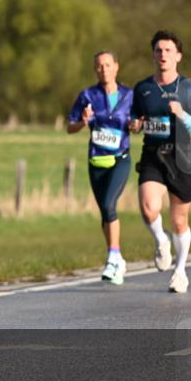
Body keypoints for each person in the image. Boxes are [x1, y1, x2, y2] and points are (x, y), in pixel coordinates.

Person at [128, 30, 191, 293]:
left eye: (168, 50)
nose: (163, 55)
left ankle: (181, 270)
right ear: (153, 55)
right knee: (149, 207)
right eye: (158, 50)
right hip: (153, 155)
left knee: (179, 221)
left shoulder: (187, 89)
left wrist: (183, 114)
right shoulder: (143, 88)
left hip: (181, 157)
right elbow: (135, 120)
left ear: (178, 56)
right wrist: (136, 125)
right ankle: (161, 241)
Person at [67, 51, 135, 285]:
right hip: (96, 161)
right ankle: (116, 259)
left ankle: (113, 257)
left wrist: (136, 124)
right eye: (99, 66)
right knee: (105, 213)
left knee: (109, 205)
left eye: (108, 65)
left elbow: (137, 124)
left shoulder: (130, 95)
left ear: (116, 66)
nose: (104, 69)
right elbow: (70, 126)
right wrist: (82, 122)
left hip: (120, 158)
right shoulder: (88, 95)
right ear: (95, 69)